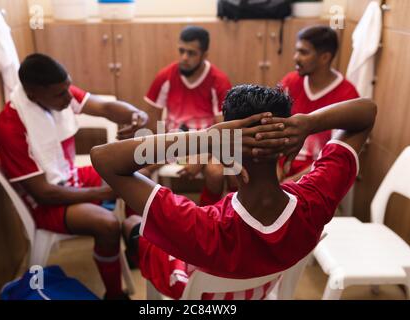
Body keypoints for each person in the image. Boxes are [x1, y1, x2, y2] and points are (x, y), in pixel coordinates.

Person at [90, 85, 377, 300]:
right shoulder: (316, 199)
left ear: (227, 158)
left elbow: (104, 158)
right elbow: (366, 112)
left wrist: (206, 138)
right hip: (263, 289)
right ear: (290, 148)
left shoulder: (197, 225)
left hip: (189, 286)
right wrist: (309, 123)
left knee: (134, 227)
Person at [0, 53, 148, 300]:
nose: (69, 97)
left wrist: (136, 115)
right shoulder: (9, 129)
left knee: (134, 172)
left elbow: (106, 107)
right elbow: (44, 193)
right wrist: (104, 192)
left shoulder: (56, 94)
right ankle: (115, 294)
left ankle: (135, 245)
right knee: (107, 224)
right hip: (45, 202)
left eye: (68, 89)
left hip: (69, 177)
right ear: (33, 94)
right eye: (61, 94)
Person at [142, 25, 233, 206]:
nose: (184, 58)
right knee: (139, 169)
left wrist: (201, 156)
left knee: (215, 172)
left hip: (208, 143)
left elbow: (223, 132)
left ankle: (207, 216)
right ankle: (144, 223)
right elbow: (152, 122)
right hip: (172, 141)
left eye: (191, 53)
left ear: (204, 55)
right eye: (181, 51)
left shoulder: (218, 81)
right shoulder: (165, 76)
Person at [279, 25, 360, 182]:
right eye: (297, 51)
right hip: (282, 170)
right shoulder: (290, 82)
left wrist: (294, 181)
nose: (296, 57)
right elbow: (273, 128)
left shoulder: (347, 95)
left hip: (318, 177)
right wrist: (274, 167)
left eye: (303, 52)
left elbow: (336, 157)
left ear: (325, 57)